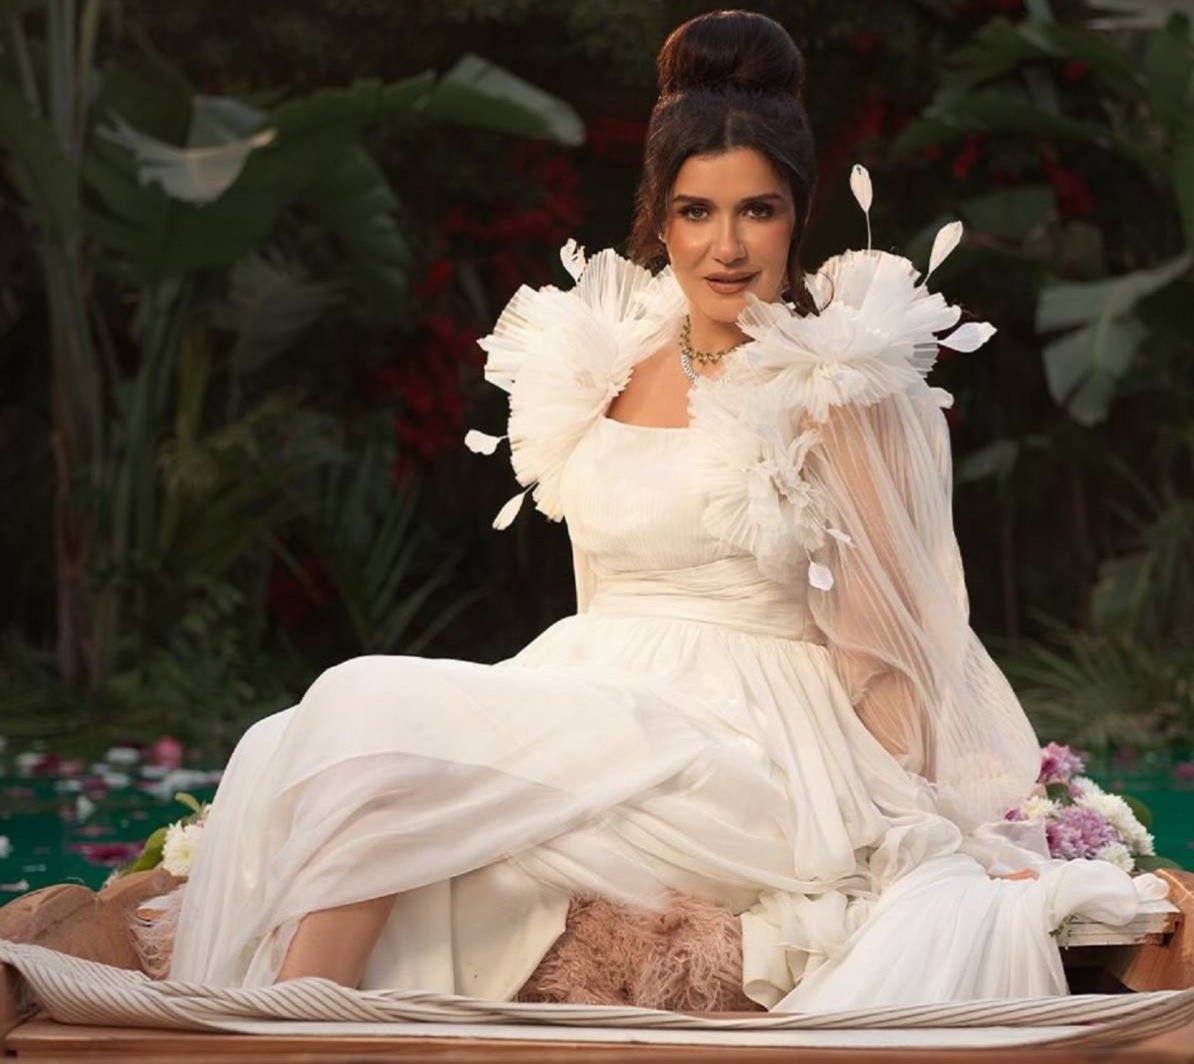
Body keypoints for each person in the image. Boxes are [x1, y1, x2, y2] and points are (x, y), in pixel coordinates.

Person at [167, 10, 1158, 1011]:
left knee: (367, 701)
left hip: (750, 738)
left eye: (757, 210)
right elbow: (601, 586)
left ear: (798, 214)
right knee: (308, 733)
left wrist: (910, 824)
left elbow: (886, 639)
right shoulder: (611, 358)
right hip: (595, 694)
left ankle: (287, 1023)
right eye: (696, 212)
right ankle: (297, 1018)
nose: (726, 246)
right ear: (661, 217)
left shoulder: (832, 385)